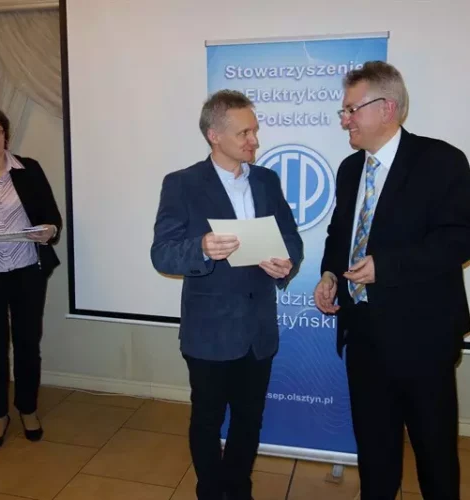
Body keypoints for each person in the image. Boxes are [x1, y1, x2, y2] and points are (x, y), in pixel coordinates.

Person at [314, 61, 470, 499]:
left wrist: (386, 266)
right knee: (375, 453)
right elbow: (339, 234)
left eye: (351, 109)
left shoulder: (440, 161)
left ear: (387, 108)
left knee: (435, 454)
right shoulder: (349, 169)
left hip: (423, 338)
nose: (344, 119)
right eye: (344, 111)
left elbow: (459, 238)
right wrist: (330, 273)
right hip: (364, 337)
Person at [151, 90, 303, 500]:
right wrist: (200, 247)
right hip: (209, 332)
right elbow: (162, 252)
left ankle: (238, 489)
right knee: (207, 419)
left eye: (254, 130)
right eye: (244, 133)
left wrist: (286, 262)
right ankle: (210, 490)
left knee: (249, 420)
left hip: (258, 330)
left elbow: (290, 236)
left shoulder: (267, 180)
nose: (255, 140)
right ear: (214, 135)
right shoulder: (182, 184)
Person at [0, 106, 62, 451]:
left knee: (27, 343)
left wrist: (48, 231)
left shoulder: (29, 169)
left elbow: (52, 218)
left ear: (5, 135)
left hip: (26, 270)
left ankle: (27, 409)